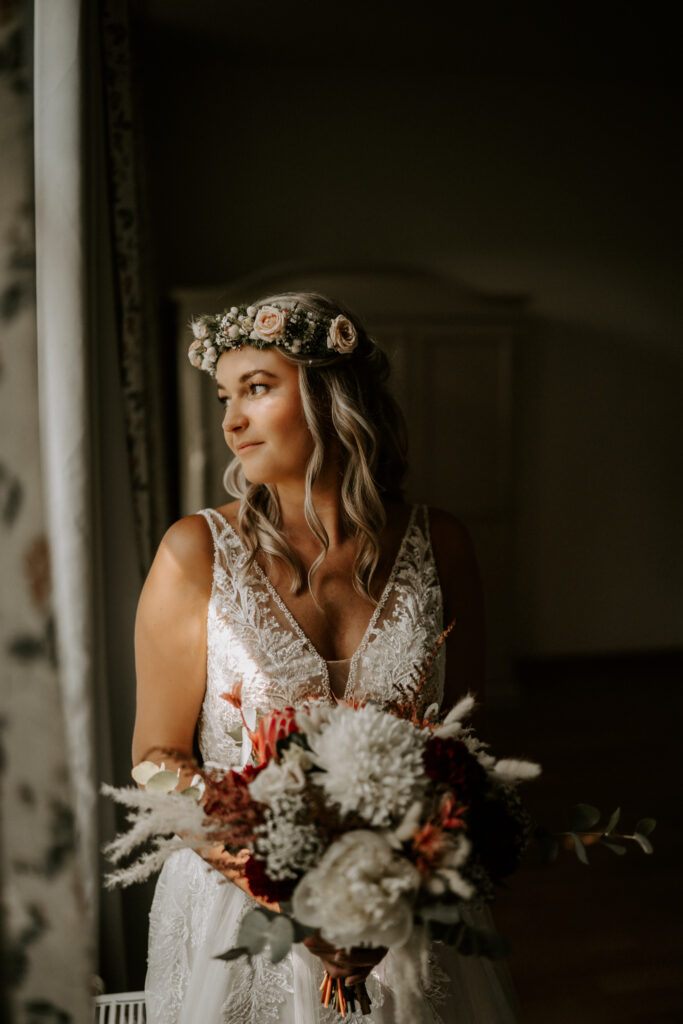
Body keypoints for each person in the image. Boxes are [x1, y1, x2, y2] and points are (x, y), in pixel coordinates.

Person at [132, 292, 518, 1022]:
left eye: (256, 388)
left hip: (405, 914)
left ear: (333, 398)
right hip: (238, 918)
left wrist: (395, 877)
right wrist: (295, 896)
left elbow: (462, 745)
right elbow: (155, 759)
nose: (230, 421)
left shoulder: (444, 545)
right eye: (224, 395)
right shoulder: (194, 552)